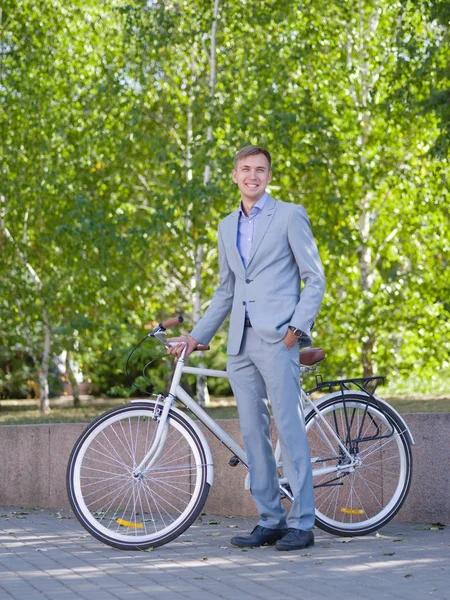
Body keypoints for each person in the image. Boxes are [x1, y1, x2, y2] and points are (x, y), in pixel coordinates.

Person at [168, 145, 325, 551]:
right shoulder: (225, 227)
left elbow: (315, 278)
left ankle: (303, 523)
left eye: (260, 169)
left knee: (289, 430)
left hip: (278, 339)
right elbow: (225, 291)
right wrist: (196, 336)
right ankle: (271, 519)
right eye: (245, 169)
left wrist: (297, 328)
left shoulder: (290, 215)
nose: (252, 175)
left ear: (269, 176)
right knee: (253, 433)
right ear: (234, 175)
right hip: (239, 343)